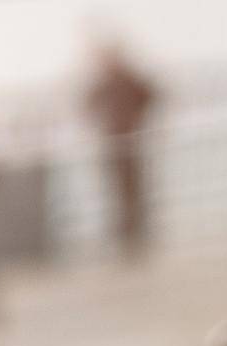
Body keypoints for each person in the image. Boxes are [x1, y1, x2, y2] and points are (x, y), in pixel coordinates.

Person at [83, 37, 160, 259]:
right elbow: (87, 103)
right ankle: (126, 238)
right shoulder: (106, 82)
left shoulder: (129, 78)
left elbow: (151, 95)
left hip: (132, 144)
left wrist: (138, 119)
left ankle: (136, 237)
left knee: (134, 192)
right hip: (114, 145)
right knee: (118, 193)